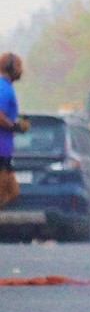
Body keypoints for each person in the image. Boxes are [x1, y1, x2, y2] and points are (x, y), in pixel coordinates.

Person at [0, 51, 25, 214]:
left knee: (12, 191)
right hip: (1, 149)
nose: (22, 71)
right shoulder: (4, 88)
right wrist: (14, 126)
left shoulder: (7, 87)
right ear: (12, 68)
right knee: (6, 192)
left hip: (5, 151)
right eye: (19, 66)